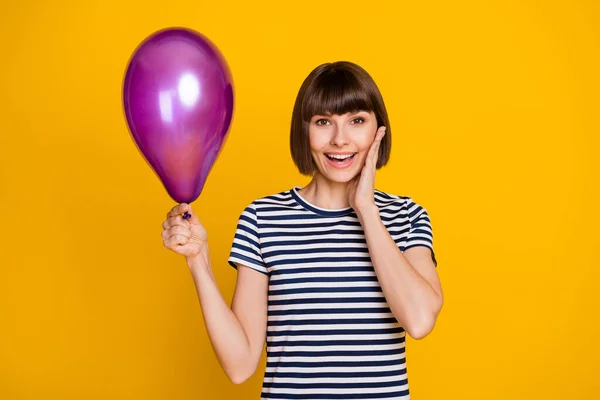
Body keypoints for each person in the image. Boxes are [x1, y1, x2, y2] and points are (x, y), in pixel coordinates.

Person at [161, 61, 443, 399]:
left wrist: (366, 209)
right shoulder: (262, 219)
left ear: (378, 130)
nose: (340, 140)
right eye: (323, 122)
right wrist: (198, 262)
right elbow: (239, 366)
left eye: (356, 121)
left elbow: (419, 320)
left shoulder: (406, 215)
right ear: (304, 130)